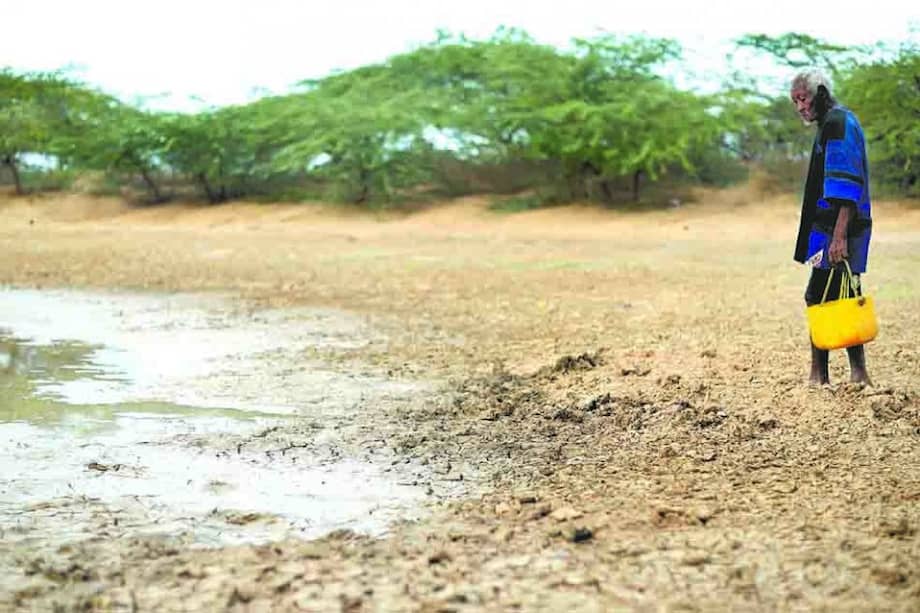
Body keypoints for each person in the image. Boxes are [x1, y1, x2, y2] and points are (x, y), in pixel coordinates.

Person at [790, 69, 872, 386]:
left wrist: (839, 237)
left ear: (821, 93)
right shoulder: (831, 123)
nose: (800, 106)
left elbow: (847, 185)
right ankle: (849, 374)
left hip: (836, 232)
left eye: (803, 98)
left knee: (822, 293)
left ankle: (826, 375)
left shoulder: (838, 123)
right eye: (795, 101)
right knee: (840, 292)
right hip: (824, 231)